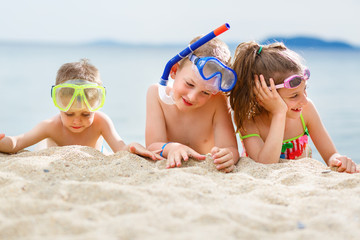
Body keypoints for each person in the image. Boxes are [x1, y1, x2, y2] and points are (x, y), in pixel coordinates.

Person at [229, 41, 358, 173]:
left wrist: (338, 160)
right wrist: (279, 113)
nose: (305, 101)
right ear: (262, 96)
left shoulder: (307, 111)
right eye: (294, 96)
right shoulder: (250, 121)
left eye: (305, 90)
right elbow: (266, 165)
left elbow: (330, 155)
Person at [0, 59, 162, 160]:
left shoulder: (101, 122)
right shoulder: (50, 126)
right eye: (69, 114)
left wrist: (134, 146)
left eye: (86, 114)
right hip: (49, 152)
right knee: (40, 146)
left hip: (98, 153)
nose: (77, 120)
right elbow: (16, 143)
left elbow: (121, 150)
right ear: (59, 106)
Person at [146, 36, 239, 172]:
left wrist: (229, 156)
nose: (192, 97)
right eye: (189, 84)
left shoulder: (218, 100)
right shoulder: (156, 95)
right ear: (174, 70)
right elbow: (152, 146)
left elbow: (230, 148)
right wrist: (173, 148)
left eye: (206, 92)